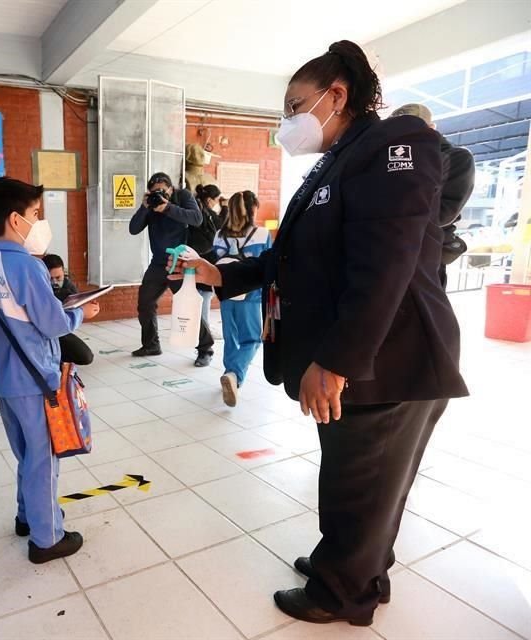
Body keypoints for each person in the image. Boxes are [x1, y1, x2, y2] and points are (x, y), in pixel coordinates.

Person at [171, 41, 468, 627]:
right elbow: (295, 257)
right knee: (358, 481)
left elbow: (386, 268)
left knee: (360, 484)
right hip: (370, 360)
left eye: (294, 105)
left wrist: (336, 362)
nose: (288, 122)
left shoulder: (394, 146)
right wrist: (222, 274)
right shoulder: (339, 159)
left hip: (389, 361)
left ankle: (344, 594)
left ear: (338, 96)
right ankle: (355, 566)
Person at [0, 177, 99, 564]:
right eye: (35, 214)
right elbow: (53, 324)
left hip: (8, 383)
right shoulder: (25, 266)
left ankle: (28, 516)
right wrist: (81, 313)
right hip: (36, 381)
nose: (38, 223)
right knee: (45, 459)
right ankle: (47, 539)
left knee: (28, 455)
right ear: (15, 219)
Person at [130, 172, 213, 366]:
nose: (159, 194)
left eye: (162, 190)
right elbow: (133, 229)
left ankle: (205, 349)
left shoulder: (182, 196)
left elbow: (196, 218)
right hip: (158, 263)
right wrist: (144, 207)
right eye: (154, 191)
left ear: (170, 188)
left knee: (188, 306)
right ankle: (151, 344)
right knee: (145, 303)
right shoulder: (150, 204)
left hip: (180, 262)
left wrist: (167, 207)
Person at [390, 103, 476, 289]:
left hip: (426, 254)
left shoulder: (455, 157)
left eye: (413, 130)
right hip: (390, 251)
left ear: (431, 128)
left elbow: (444, 213)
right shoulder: (389, 159)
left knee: (422, 313)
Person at [209, 191, 271, 407]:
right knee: (252, 339)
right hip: (251, 297)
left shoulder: (219, 235)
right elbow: (269, 268)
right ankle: (234, 375)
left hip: (226, 294)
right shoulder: (262, 234)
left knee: (231, 338)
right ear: (253, 208)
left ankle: (229, 374)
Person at [191, 184, 227, 351]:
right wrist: (226, 209)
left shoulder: (195, 209)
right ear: (209, 199)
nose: (217, 203)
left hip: (194, 259)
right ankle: (205, 332)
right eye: (217, 200)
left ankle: (201, 330)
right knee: (204, 297)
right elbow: (221, 225)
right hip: (205, 261)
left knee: (200, 296)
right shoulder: (207, 214)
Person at [42, 253, 94, 366]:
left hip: (60, 329)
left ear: (63, 274)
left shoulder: (68, 286)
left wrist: (88, 309)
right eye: (50, 278)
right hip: (40, 333)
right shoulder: (37, 288)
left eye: (58, 278)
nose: (55, 282)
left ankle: (58, 359)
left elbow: (78, 305)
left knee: (85, 356)